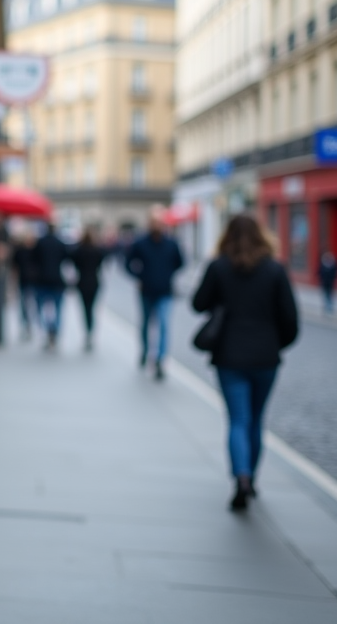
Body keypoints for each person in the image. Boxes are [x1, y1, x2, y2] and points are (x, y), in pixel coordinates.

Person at [192, 214, 298, 511]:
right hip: (265, 357)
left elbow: (198, 303)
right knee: (256, 419)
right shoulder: (275, 269)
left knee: (238, 419)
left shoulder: (218, 266)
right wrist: (276, 344)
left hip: (229, 356)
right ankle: (252, 476)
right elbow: (290, 320)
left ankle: (241, 477)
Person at [126, 207, 184, 380]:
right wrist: (138, 276)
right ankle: (145, 351)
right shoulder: (140, 243)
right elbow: (128, 262)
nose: (157, 225)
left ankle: (160, 359)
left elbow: (180, 262)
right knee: (146, 324)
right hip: (146, 291)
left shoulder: (171, 243)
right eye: (154, 222)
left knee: (164, 324)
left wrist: (168, 274)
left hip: (165, 291)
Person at [32, 221, 70, 350]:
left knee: (41, 308)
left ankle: (47, 331)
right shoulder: (60, 243)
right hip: (57, 280)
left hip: (41, 280)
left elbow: (34, 259)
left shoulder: (40, 242)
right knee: (58, 309)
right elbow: (66, 259)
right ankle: (55, 331)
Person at [71, 227, 105, 351]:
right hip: (94, 282)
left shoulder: (79, 250)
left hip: (82, 282)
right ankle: (90, 330)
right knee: (91, 308)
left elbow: (74, 263)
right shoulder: (97, 250)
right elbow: (101, 263)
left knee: (86, 309)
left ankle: (88, 331)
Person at [11, 231, 39, 340]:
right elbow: (15, 267)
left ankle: (31, 324)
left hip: (34, 281)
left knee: (32, 304)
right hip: (23, 281)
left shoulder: (36, 251)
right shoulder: (20, 251)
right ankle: (26, 325)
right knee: (23, 304)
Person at [318, 250, 337, 315]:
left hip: (330, 283)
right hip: (324, 283)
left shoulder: (332, 265)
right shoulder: (323, 265)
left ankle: (330, 307)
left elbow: (334, 274)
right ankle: (326, 306)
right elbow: (320, 273)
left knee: (330, 295)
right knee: (325, 295)